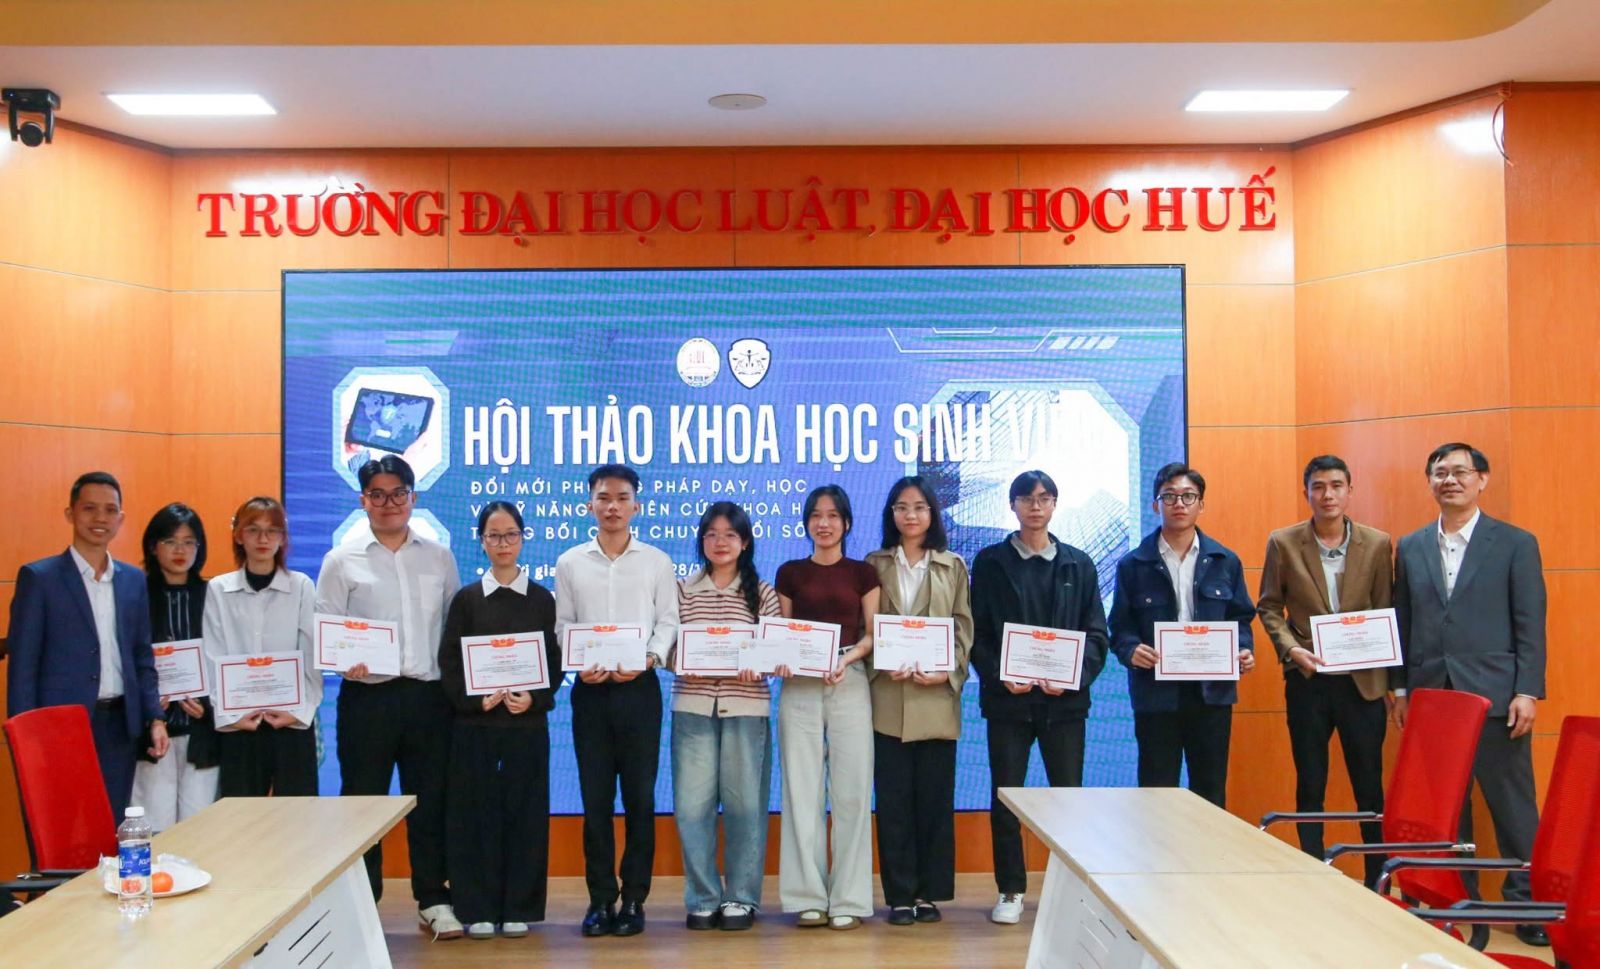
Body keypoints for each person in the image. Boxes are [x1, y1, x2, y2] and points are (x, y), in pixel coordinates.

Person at [1393, 443, 1547, 946]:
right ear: (1430, 482)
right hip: (1433, 697)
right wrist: (1401, 688)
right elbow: (1403, 619)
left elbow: (1530, 622)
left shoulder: (1515, 543)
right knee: (1445, 808)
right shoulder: (1411, 546)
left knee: (1513, 807)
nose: (1450, 480)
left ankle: (1530, 907)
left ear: (1482, 479)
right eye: (1440, 472)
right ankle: (1457, 900)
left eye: (1460, 471)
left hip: (1499, 698)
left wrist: (1527, 689)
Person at [315, 455, 463, 939]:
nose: (389, 503)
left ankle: (434, 899)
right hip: (367, 700)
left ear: (413, 497)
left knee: (431, 802)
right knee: (363, 807)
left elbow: (452, 628)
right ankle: (363, 905)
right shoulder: (341, 560)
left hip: (428, 699)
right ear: (363, 501)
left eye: (398, 493)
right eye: (377, 494)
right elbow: (327, 630)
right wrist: (343, 660)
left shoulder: (439, 557)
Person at [969, 469, 1109, 925]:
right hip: (1008, 703)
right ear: (1012, 504)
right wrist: (999, 675)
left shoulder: (1078, 564)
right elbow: (977, 634)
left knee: (1069, 801)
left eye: (1044, 498)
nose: (1035, 506)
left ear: (1054, 505)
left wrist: (1072, 677)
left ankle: (1071, 890)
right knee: (1006, 798)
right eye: (1027, 498)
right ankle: (1010, 889)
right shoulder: (990, 562)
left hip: (1064, 705)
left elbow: (1096, 635)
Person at [555, 464, 679, 938]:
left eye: (622, 498)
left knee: (640, 799)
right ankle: (600, 899)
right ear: (590, 504)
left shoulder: (656, 562)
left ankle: (634, 899)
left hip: (638, 690)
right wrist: (577, 662)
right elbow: (563, 625)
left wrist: (649, 658)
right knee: (595, 800)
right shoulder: (570, 562)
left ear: (636, 505)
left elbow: (668, 620)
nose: (612, 507)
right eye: (604, 498)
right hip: (590, 691)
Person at [1257, 455, 1393, 886]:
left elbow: (1385, 609)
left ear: (1350, 491)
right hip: (1308, 680)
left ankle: (1377, 879)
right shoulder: (1283, 542)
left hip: (1362, 683)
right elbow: (1269, 607)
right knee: (1310, 781)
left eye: (1336, 485)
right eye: (1318, 487)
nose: (1328, 494)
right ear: (1307, 493)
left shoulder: (1377, 544)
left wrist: (1391, 677)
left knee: (1369, 786)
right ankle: (1312, 876)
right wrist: (1291, 650)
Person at [6, 472, 168, 818]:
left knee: (109, 827)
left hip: (119, 727)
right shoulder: (40, 578)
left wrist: (155, 716)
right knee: (60, 827)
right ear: (70, 513)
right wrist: (25, 738)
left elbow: (142, 657)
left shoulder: (133, 580)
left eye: (110, 510)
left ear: (120, 518)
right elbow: (22, 669)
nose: (100, 518)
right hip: (57, 728)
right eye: (90, 508)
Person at [438, 501, 561, 941]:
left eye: (510, 534)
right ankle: (477, 907)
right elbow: (450, 663)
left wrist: (535, 698)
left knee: (525, 815)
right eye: (494, 535)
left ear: (522, 538)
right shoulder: (467, 599)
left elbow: (555, 663)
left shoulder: (543, 599)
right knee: (475, 815)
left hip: (527, 726)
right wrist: (477, 701)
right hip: (476, 727)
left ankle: (519, 907)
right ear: (482, 541)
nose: (503, 543)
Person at [1109, 462, 1256, 809]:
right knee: (1157, 792)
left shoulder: (1225, 560)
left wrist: (1243, 649)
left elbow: (1241, 617)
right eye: (1169, 496)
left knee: (1210, 791)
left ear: (1201, 504)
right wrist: (1131, 650)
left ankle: (1208, 849)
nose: (1179, 503)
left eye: (1188, 496)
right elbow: (1120, 626)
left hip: (1211, 694)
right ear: (1155, 504)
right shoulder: (1133, 564)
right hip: (1156, 695)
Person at [864, 476, 973, 927]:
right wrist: (880, 663)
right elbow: (866, 628)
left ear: (933, 514)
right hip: (888, 698)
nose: (910, 515)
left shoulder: (953, 565)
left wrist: (948, 672)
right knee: (893, 804)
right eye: (902, 507)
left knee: (933, 802)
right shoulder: (873, 565)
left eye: (919, 507)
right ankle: (900, 896)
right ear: (891, 514)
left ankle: (929, 893)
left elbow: (963, 628)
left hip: (934, 700)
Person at [774, 484, 881, 931]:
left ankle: (849, 899)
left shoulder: (863, 573)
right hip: (799, 685)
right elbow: (783, 631)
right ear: (806, 523)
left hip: (848, 680)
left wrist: (847, 658)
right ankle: (808, 897)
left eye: (833, 515)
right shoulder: (789, 573)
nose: (824, 523)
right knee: (801, 791)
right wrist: (783, 657)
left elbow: (872, 634)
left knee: (852, 792)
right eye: (816, 515)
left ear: (847, 523)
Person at [672, 501, 782, 932]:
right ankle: (703, 897)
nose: (720, 542)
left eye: (730, 534)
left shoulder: (763, 592)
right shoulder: (682, 590)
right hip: (693, 708)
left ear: (745, 542)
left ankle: (740, 897)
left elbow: (776, 651)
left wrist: (762, 662)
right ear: (702, 540)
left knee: (745, 808)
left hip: (746, 709)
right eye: (712, 534)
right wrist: (683, 658)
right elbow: (667, 645)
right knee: (691, 808)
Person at [204, 497, 321, 797]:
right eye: (253, 529)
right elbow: (213, 656)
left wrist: (300, 712)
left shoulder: (301, 586)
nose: (263, 539)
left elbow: (312, 656)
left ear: (283, 537)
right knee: (241, 817)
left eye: (272, 530)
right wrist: (230, 716)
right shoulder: (218, 588)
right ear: (238, 535)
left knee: (298, 816)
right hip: (241, 724)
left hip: (290, 722)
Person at [130, 503, 220, 830]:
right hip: (151, 732)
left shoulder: (214, 595)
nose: (180, 550)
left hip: (202, 730)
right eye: (170, 541)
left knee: (200, 829)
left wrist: (209, 706)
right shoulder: (134, 595)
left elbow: (226, 657)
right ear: (153, 547)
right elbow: (127, 659)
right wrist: (150, 707)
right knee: (153, 828)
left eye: (188, 542)